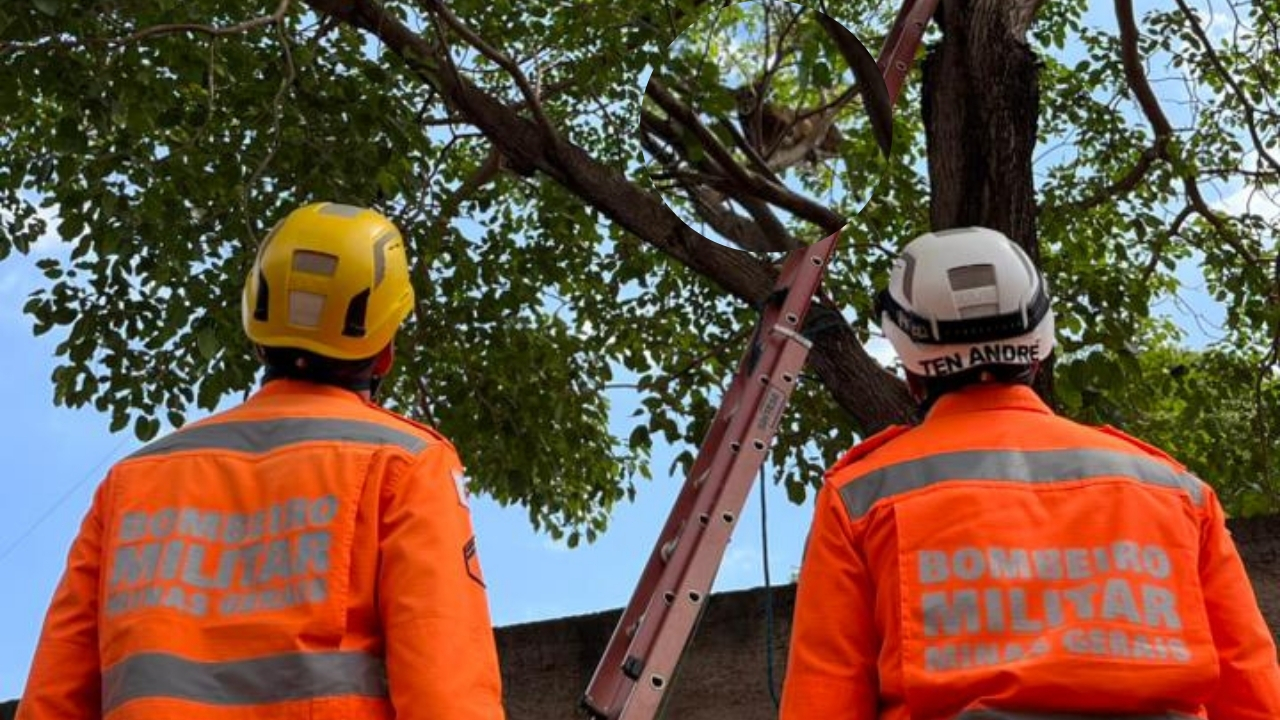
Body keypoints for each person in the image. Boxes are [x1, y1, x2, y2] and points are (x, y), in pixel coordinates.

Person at [17, 202, 505, 719]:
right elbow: (447, 696)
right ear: (384, 349)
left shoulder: (131, 482)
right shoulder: (406, 463)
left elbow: (52, 701)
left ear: (256, 332)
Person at [779, 226, 1280, 719]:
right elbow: (1253, 694)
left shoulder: (863, 495)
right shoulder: (1173, 490)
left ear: (909, 365)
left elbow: (824, 701)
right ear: (1040, 348)